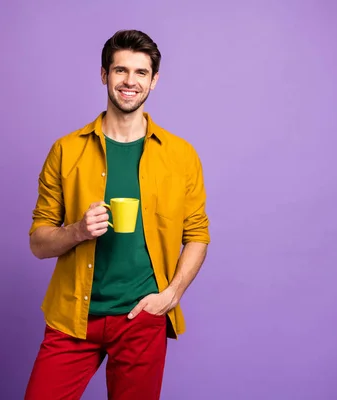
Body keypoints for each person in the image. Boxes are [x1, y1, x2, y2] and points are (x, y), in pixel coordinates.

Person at [24, 29, 211, 400]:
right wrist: (77, 230)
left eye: (141, 73)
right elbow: (38, 243)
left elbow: (197, 235)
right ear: (104, 75)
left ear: (154, 81)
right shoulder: (66, 150)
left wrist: (171, 295)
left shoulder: (180, 155)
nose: (129, 81)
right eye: (120, 70)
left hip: (141, 318)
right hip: (73, 316)